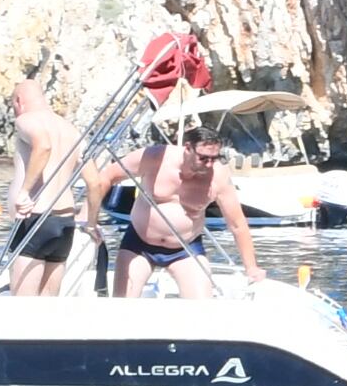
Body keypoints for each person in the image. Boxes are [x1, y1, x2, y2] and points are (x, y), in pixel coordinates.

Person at [90, 117, 268, 299]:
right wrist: (89, 218)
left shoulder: (218, 176)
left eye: (214, 158)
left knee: (201, 306)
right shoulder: (155, 158)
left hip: (185, 249)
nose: (209, 164)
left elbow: (237, 224)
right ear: (188, 149)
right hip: (138, 244)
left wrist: (251, 267)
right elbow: (106, 176)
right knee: (123, 303)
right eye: (203, 158)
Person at [0, 82, 81, 297]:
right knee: (48, 306)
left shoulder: (26, 120)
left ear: (18, 101)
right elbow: (95, 180)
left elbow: (43, 145)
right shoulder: (70, 129)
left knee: (24, 308)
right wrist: (92, 217)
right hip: (65, 222)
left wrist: (24, 192)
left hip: (36, 220)